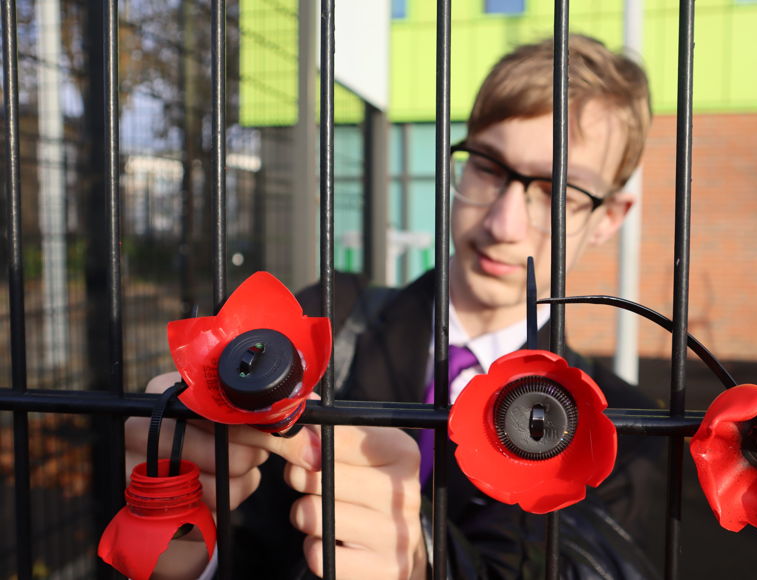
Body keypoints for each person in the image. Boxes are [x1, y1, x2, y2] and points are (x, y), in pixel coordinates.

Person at [125, 33, 661, 579]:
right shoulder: (319, 325)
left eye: (558, 193)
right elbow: (246, 546)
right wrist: (187, 550)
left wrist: (422, 561)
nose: (504, 223)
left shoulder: (624, 435)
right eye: (488, 167)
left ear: (610, 218)